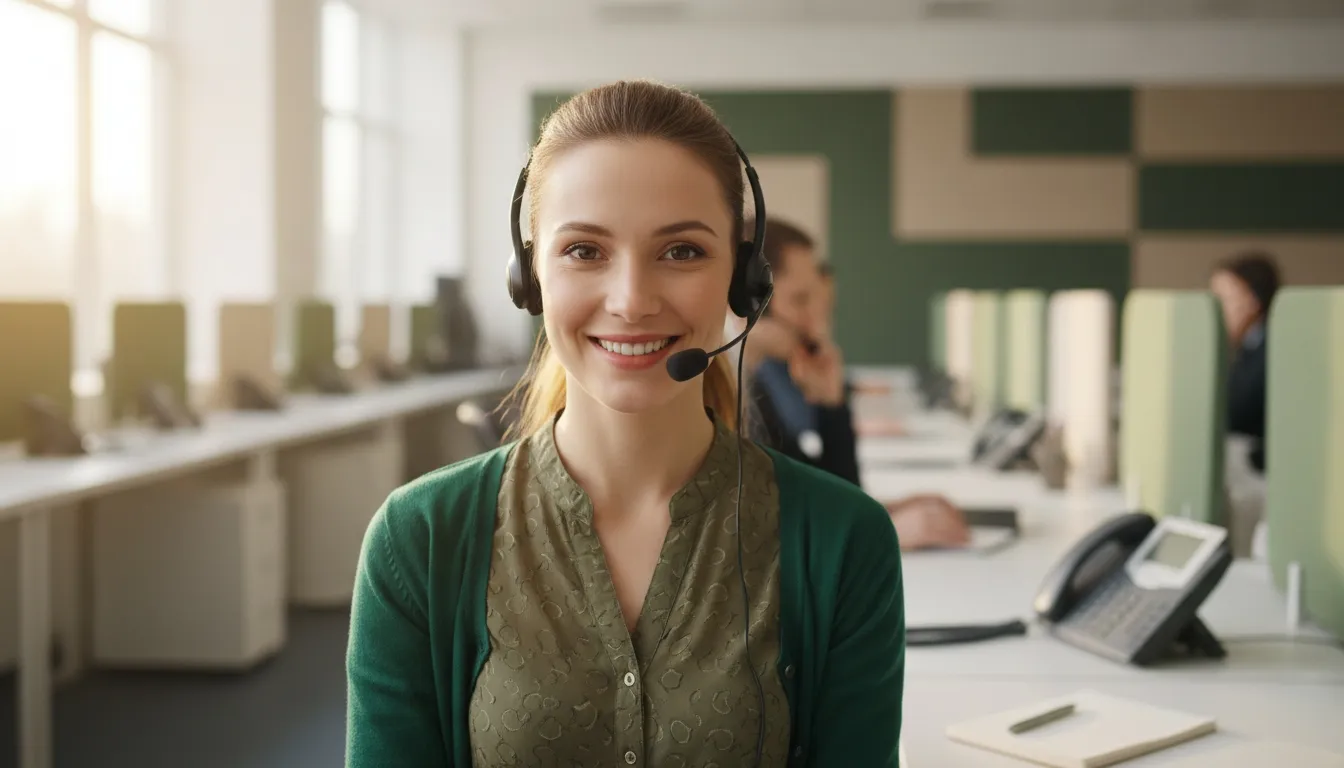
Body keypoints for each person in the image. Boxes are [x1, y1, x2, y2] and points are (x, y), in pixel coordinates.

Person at [346, 80, 905, 767]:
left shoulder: (844, 542)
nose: (632, 300)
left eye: (681, 252)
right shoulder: (420, 539)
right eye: (585, 250)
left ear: (741, 279)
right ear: (529, 276)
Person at [742, 217, 971, 551]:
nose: (814, 321)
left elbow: (824, 499)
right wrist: (883, 531)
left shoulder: (755, 388)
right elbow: (755, 542)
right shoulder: (715, 398)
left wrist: (831, 404)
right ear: (747, 303)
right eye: (800, 300)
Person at [1209, 252, 1279, 473]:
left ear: (1252, 301)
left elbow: (1237, 412)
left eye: (1223, 300)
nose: (1216, 313)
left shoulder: (1271, 352)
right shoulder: (1248, 349)